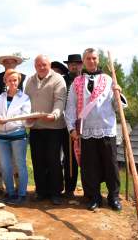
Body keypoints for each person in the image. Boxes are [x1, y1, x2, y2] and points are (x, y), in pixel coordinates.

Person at [65, 48, 127, 211]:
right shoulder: (76, 83)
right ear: (83, 61)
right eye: (88, 58)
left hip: (106, 128)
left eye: (94, 58)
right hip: (86, 130)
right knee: (89, 165)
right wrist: (71, 127)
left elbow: (117, 105)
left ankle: (113, 197)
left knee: (111, 164)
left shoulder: (108, 80)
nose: (91, 61)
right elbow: (70, 107)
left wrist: (118, 93)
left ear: (98, 60)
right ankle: (94, 197)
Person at [25, 55, 67, 205]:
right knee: (38, 160)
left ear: (49, 65)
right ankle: (41, 191)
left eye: (44, 64)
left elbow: (60, 100)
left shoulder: (58, 79)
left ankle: (56, 192)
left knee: (54, 160)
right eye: (38, 65)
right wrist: (26, 118)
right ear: (35, 66)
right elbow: (25, 102)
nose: (41, 67)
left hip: (54, 127)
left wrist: (55, 115)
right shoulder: (29, 81)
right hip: (36, 128)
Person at [0, 69, 32, 205]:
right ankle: (10, 192)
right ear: (5, 81)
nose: (12, 82)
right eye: (10, 80)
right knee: (5, 166)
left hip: (18, 135)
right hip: (2, 136)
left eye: (15, 80)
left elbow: (25, 116)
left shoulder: (25, 98)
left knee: (20, 165)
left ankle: (21, 193)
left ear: (19, 81)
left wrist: (8, 120)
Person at [0, 54, 27, 191]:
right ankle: (0, 185)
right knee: (0, 155)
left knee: (17, 157)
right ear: (3, 64)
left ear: (17, 63)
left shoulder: (24, 78)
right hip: (0, 122)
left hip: (17, 126)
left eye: (13, 62)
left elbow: (26, 99)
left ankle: (18, 185)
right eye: (7, 62)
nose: (10, 64)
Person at [61, 54, 83, 199]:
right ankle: (69, 188)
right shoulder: (62, 80)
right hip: (65, 123)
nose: (74, 66)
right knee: (69, 158)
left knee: (86, 157)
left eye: (77, 63)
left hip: (85, 123)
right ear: (68, 66)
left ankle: (90, 188)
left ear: (81, 65)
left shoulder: (86, 79)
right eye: (71, 64)